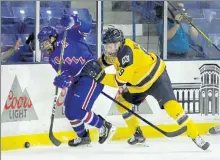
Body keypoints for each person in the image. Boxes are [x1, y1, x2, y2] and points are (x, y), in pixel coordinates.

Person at [81, 27, 210, 150]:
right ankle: (137, 134)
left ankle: (196, 136)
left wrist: (99, 76)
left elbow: (118, 82)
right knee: (121, 102)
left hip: (156, 78)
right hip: (138, 84)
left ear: (118, 44)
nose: (107, 49)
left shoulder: (126, 55)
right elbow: (102, 63)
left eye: (110, 46)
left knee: (172, 106)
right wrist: (88, 68)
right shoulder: (116, 51)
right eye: (106, 46)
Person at [37, 13, 116, 147]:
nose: (43, 46)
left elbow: (87, 28)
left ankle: (104, 126)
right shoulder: (51, 58)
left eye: (44, 41)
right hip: (77, 80)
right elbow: (66, 74)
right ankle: (83, 137)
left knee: (76, 110)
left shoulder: (69, 34)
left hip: (90, 74)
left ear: (52, 37)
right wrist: (62, 80)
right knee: (69, 111)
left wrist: (75, 21)